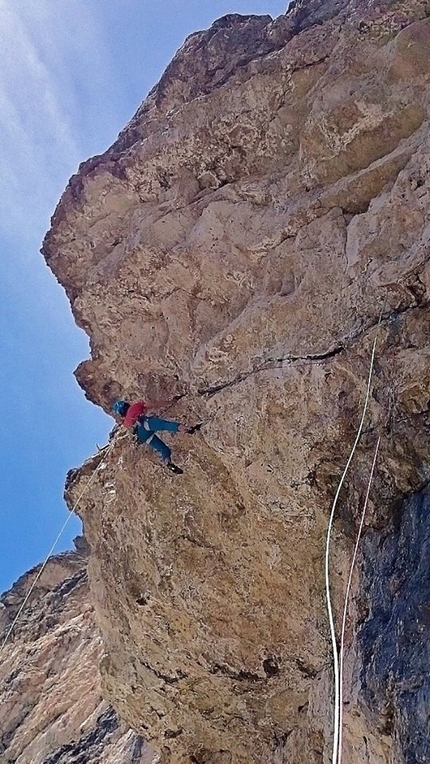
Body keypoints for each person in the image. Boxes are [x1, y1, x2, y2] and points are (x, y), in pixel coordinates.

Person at [112, 397, 201, 474]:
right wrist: (170, 402)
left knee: (163, 449)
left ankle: (168, 463)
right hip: (145, 423)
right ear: (126, 404)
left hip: (142, 436)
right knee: (165, 425)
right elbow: (154, 405)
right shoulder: (134, 407)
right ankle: (188, 429)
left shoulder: (126, 422)